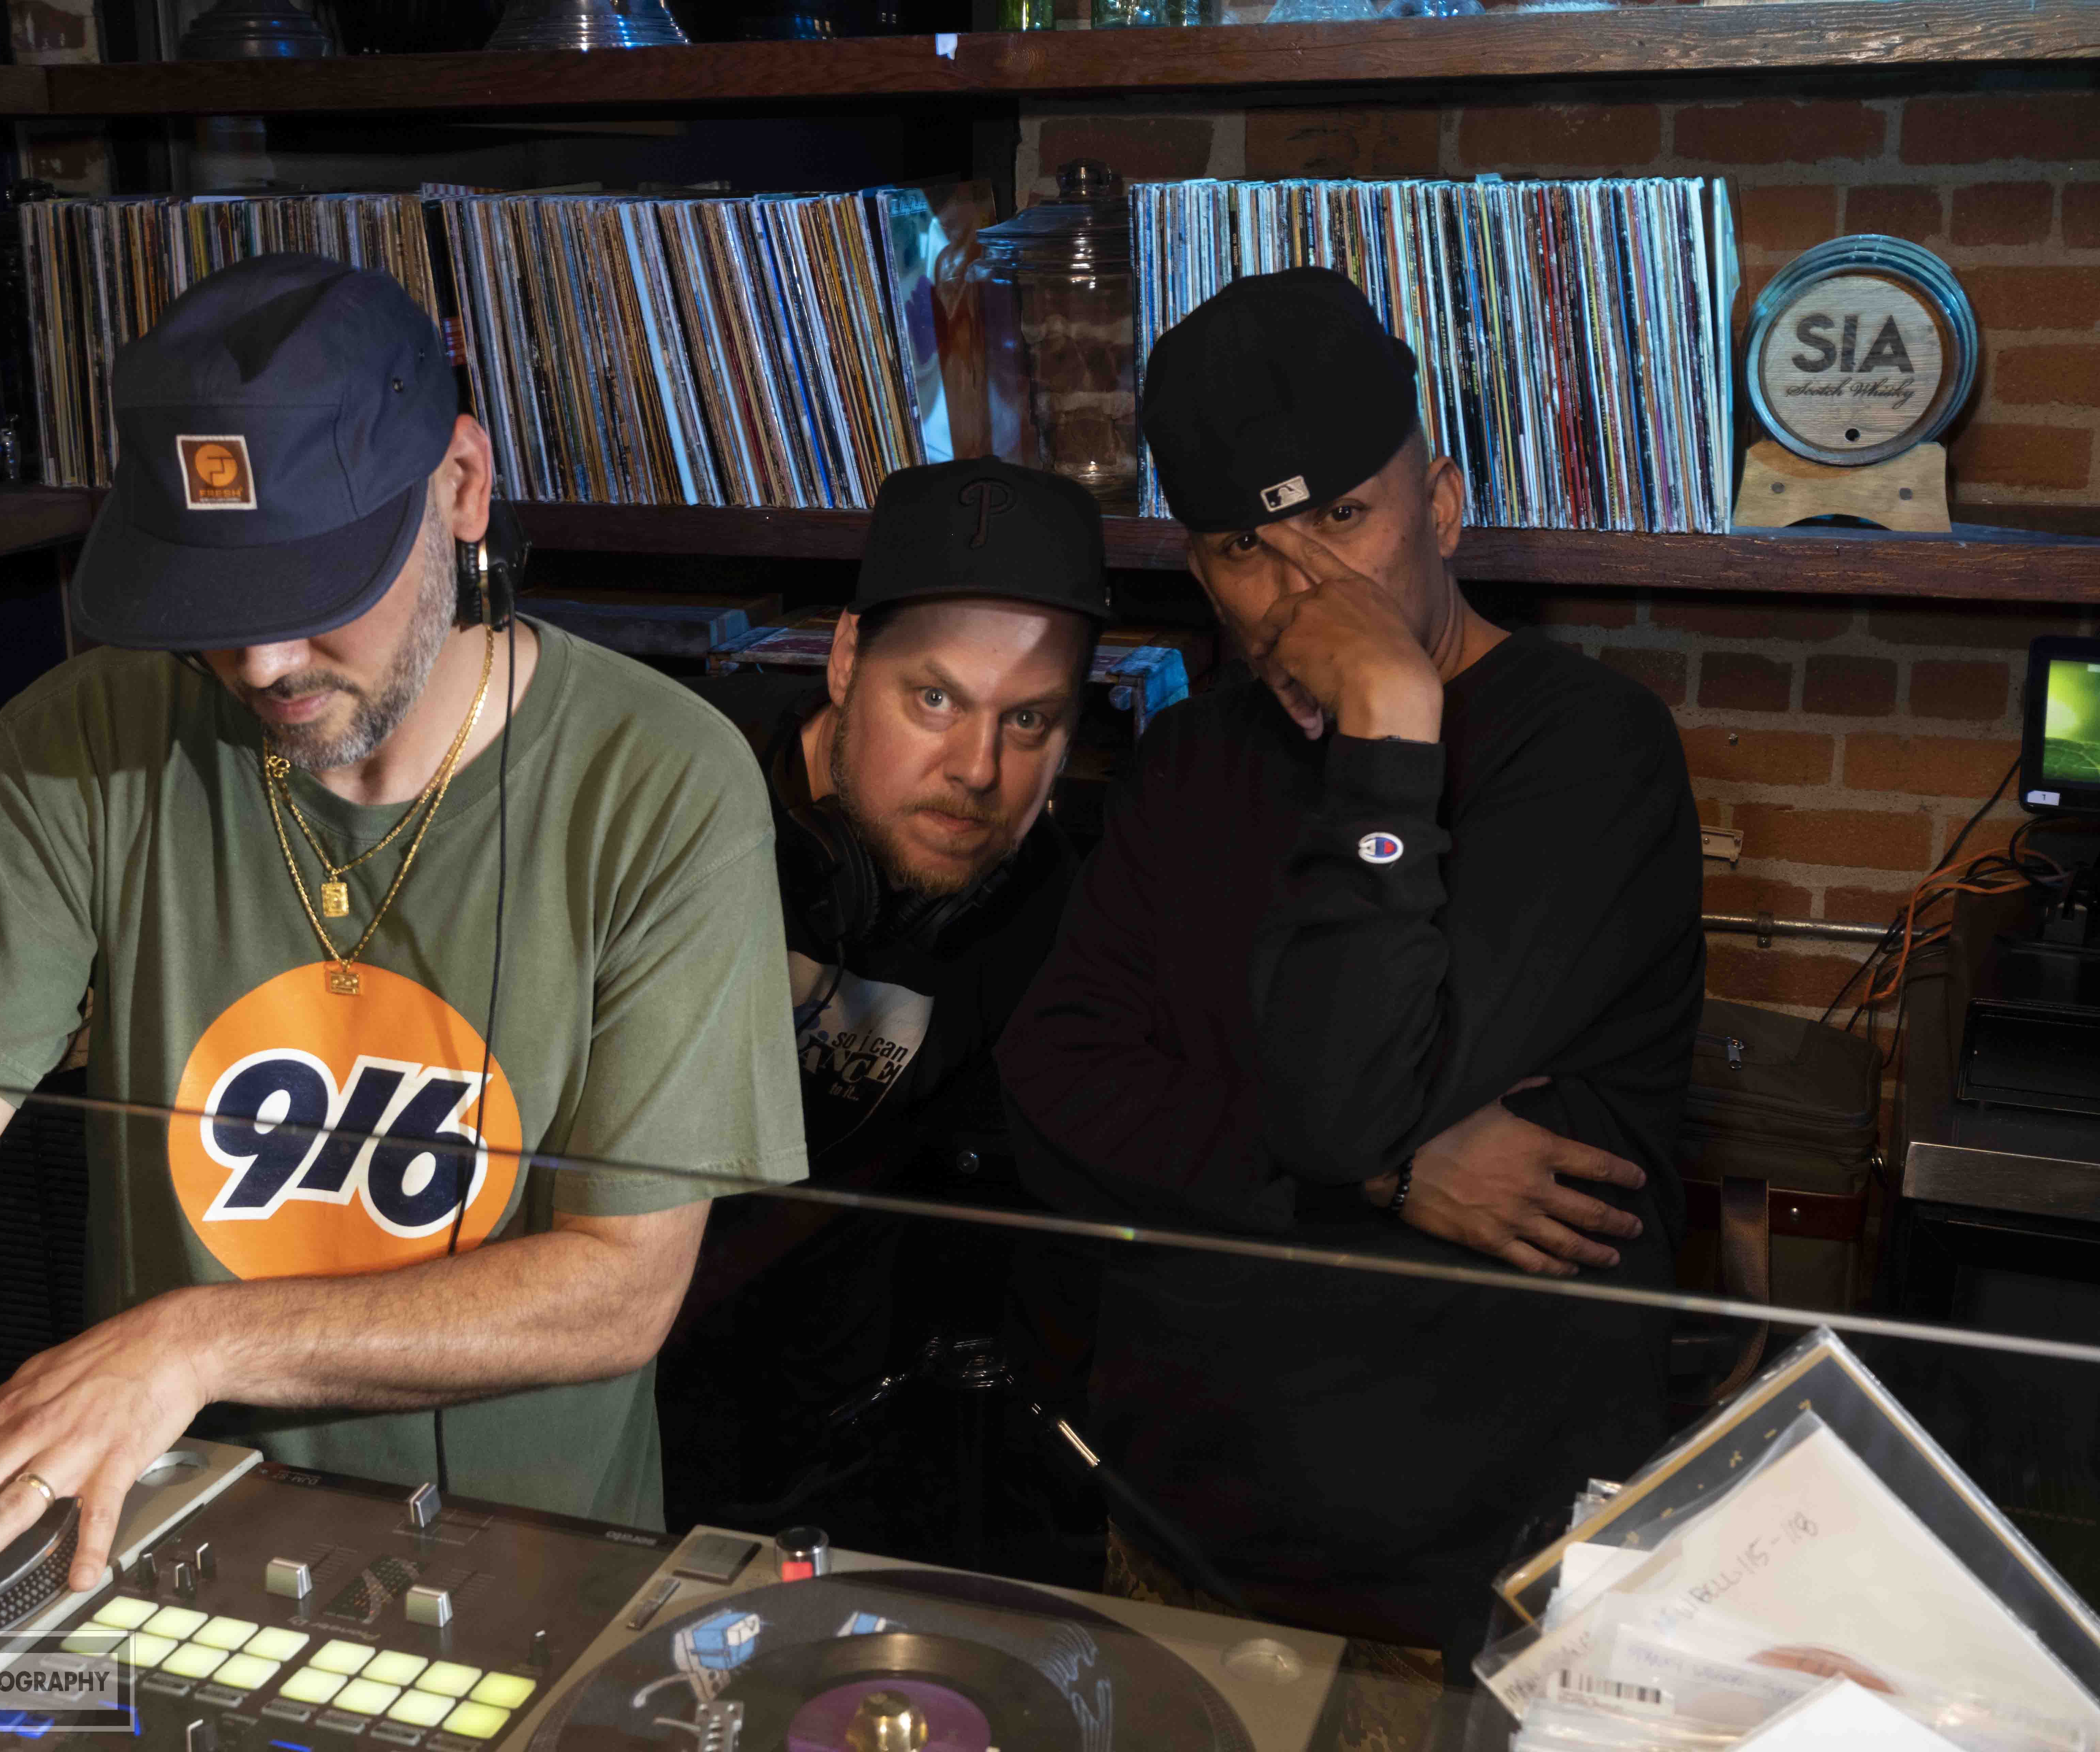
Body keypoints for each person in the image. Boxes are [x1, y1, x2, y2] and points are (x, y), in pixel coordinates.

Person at [0, 253, 807, 1640]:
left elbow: (621, 1286)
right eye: (211, 605)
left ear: (462, 487)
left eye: (316, 585)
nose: (260, 665)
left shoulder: (667, 780)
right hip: (151, 1558)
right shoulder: (75, 742)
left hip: (529, 1583)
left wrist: (197, 1341)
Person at [997, 268, 1705, 1672]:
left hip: (1487, 1571)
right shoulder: (1191, 757)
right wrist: (1386, 1182)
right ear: (1201, 572)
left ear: (1442, 507)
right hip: (1185, 1533)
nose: (1305, 594)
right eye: (1245, 548)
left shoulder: (1592, 753)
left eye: (1342, 519)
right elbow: (1056, 1093)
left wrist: (1388, 719)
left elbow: (1334, 1095)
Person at [658, 459, 1107, 1532]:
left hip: (837, 1446)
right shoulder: (671, 791)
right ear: (848, 657)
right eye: (936, 699)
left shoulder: (1054, 903)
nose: (978, 770)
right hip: (614, 1391)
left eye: (1029, 721)